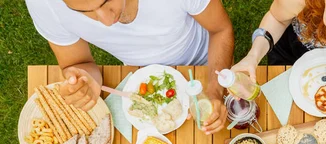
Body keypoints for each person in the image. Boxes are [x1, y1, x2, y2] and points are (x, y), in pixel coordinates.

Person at [25, 0, 234, 134]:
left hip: (205, 62)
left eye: (106, 1)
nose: (106, 21)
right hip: (138, 77)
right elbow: (79, 64)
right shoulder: (45, 4)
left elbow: (220, 30)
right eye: (84, 12)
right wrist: (83, 81)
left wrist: (215, 90)